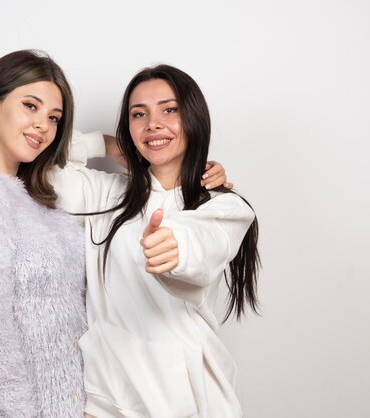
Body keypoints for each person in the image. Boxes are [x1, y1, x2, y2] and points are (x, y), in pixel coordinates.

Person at [0, 50, 230, 417]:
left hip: (77, 403)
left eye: (54, 117)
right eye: (30, 106)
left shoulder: (35, 194)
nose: (42, 125)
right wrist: (108, 144)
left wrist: (199, 180)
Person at [51, 64, 260, 417]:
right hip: (108, 398)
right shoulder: (104, 195)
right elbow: (37, 165)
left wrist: (176, 248)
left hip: (192, 399)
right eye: (138, 114)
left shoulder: (225, 205)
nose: (153, 124)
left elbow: (205, 243)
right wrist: (104, 143)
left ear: (193, 117)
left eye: (170, 109)